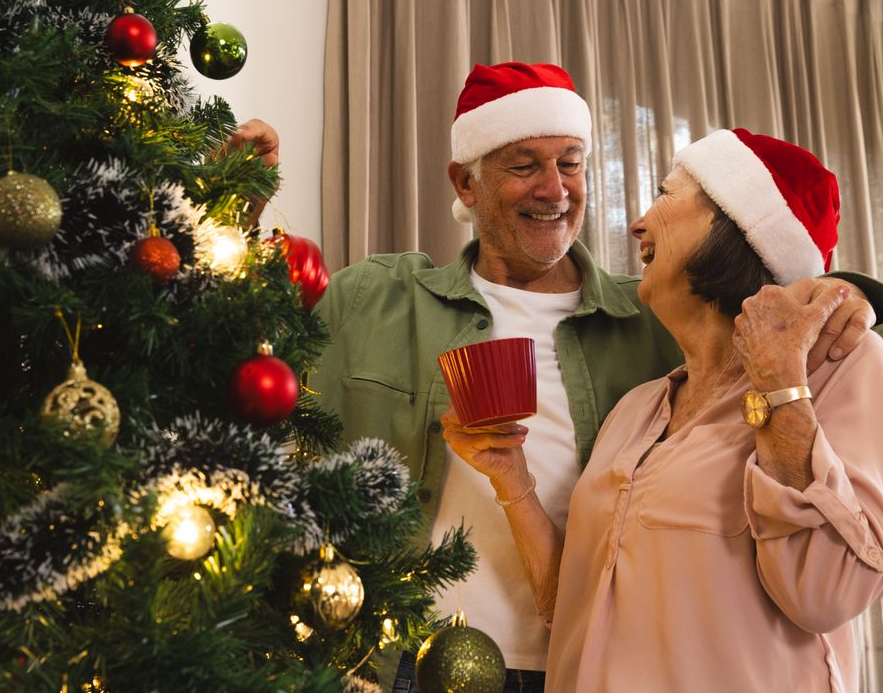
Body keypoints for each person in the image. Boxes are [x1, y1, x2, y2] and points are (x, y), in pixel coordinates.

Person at [305, 63, 882, 692]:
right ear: (466, 184)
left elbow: (758, 296)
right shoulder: (378, 298)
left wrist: (840, 293)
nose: (555, 189)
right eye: (523, 165)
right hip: (402, 662)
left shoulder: (655, 317)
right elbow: (255, 355)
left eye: (572, 163)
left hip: (560, 667)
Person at [442, 127, 883, 690]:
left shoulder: (843, 366)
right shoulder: (638, 409)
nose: (637, 223)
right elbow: (574, 603)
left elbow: (827, 592)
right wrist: (510, 475)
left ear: (736, 227)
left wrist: (778, 378)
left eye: (665, 194)